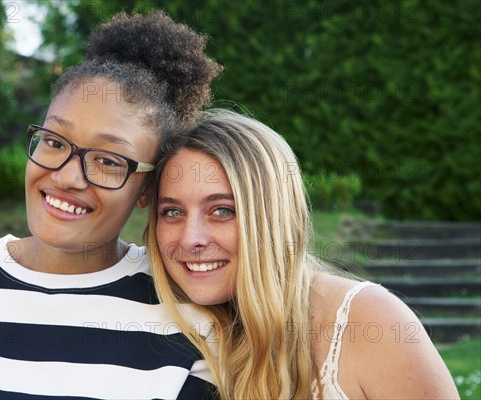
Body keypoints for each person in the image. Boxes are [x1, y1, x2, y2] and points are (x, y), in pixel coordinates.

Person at [0, 11, 222, 399]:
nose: (66, 177)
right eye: (55, 142)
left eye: (108, 161)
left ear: (146, 188)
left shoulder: (187, 325)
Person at [146, 109, 459, 399]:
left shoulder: (367, 322)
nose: (191, 239)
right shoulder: (165, 325)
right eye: (172, 212)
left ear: (274, 217)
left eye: (223, 210)